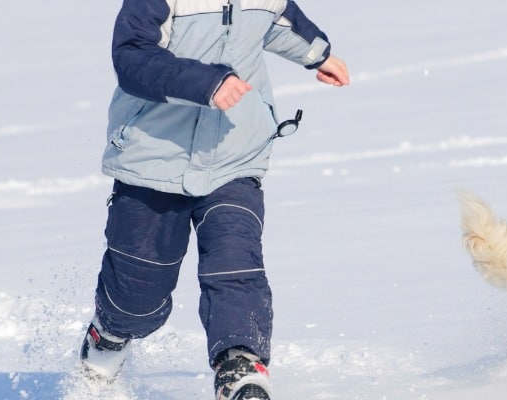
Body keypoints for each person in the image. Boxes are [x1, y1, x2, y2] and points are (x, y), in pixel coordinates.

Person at [77, 1, 349, 399]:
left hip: (235, 154)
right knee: (138, 291)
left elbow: (277, 18)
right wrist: (205, 83)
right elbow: (132, 56)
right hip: (154, 157)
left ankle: (240, 367)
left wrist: (317, 55)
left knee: (235, 264)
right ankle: (111, 333)